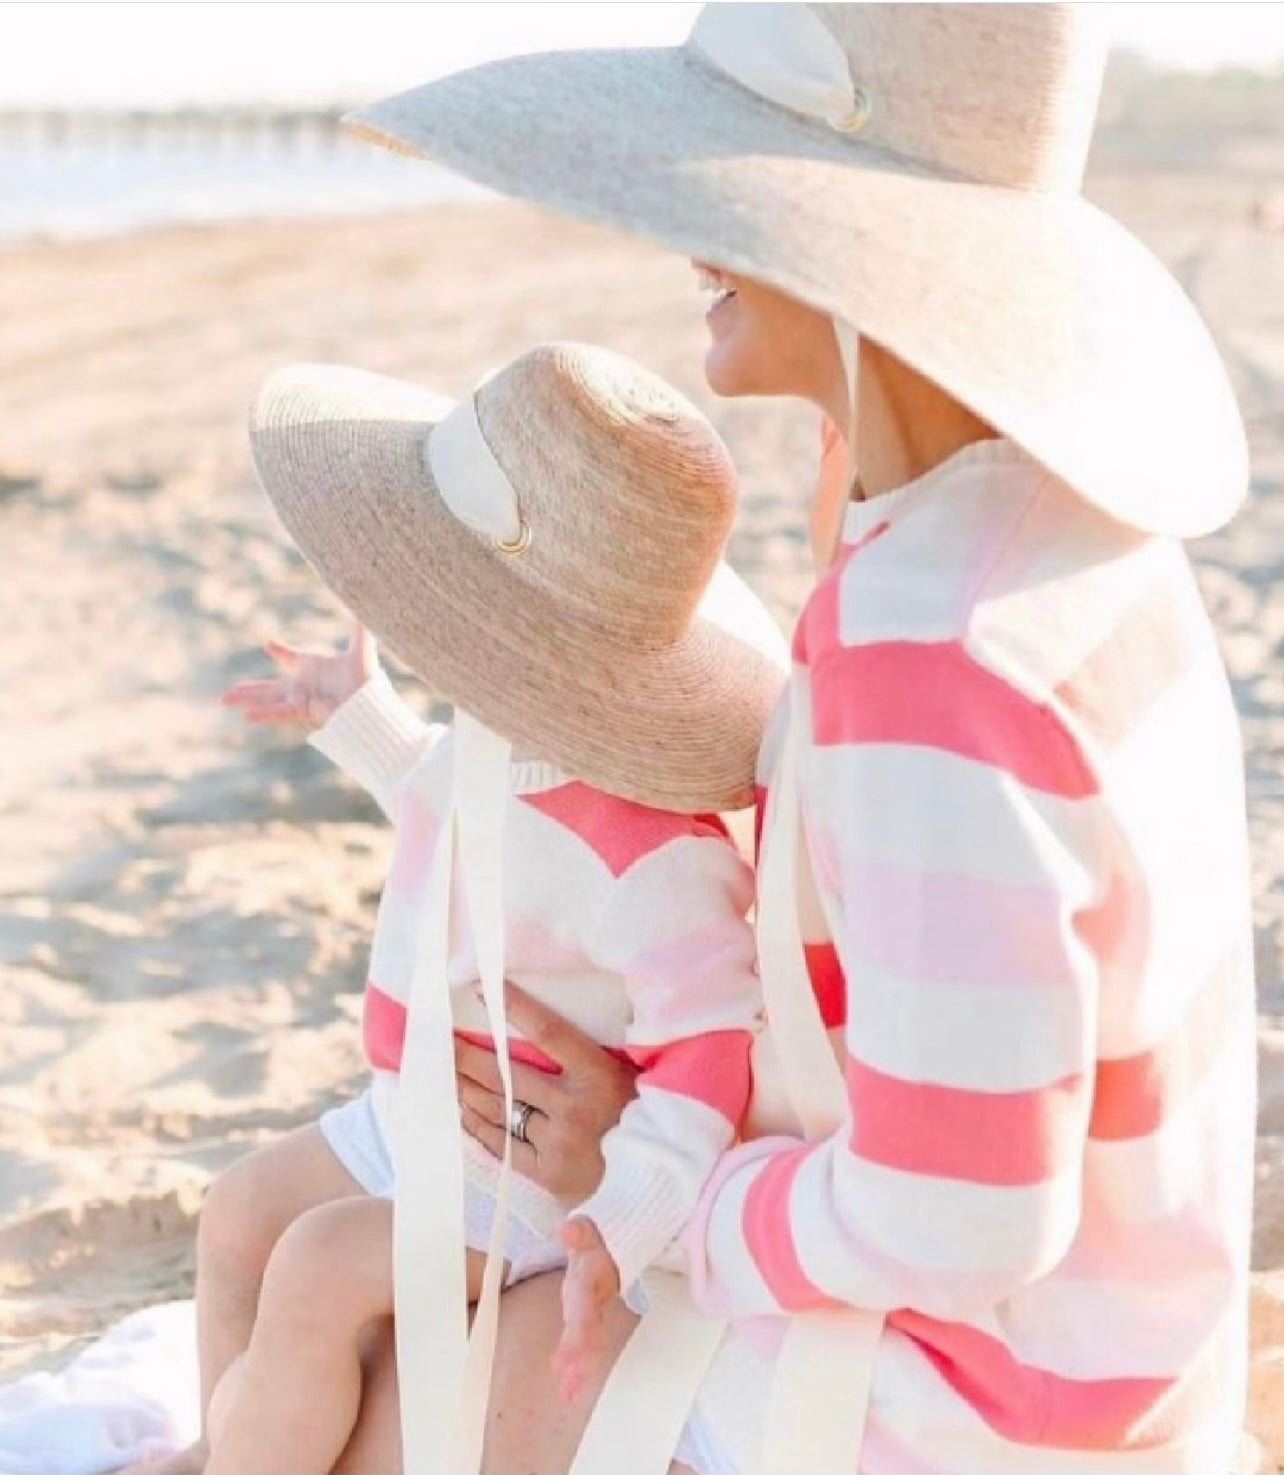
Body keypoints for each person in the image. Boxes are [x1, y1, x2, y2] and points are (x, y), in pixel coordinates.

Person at [321, 5, 1257, 1474]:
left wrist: (688, 1204)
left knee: (400, 1405)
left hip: (981, 1402)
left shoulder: (930, 649)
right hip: (1126, 1347)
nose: (693, 230)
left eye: (733, 183)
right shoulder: (1057, 528)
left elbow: (963, 1214)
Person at [184, 343, 788, 1473]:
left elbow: (712, 1047)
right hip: (431, 1103)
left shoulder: (657, 856)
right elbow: (449, 795)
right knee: (240, 1211)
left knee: (317, 1266)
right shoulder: (509, 740)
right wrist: (357, 716)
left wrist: (627, 1209)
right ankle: (223, 1444)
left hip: (523, 1164)